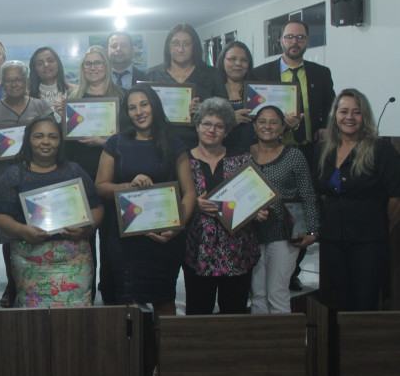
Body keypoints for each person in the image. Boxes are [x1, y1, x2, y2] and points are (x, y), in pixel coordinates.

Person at [95, 83, 196, 311]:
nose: (139, 112)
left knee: (165, 300)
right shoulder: (115, 143)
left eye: (144, 104)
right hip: (126, 241)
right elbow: (100, 187)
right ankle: (133, 348)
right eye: (132, 108)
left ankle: (162, 347)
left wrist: (178, 226)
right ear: (126, 113)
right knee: (127, 304)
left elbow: (189, 192)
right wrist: (129, 186)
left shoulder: (174, 143)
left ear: (154, 106)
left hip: (165, 238)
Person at [253, 19, 335, 291]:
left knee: (302, 204)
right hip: (271, 151)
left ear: (307, 41)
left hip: (308, 151)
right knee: (269, 204)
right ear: (281, 41)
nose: (294, 42)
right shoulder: (262, 72)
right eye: (289, 37)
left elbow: (329, 107)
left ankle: (293, 266)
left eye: (300, 37)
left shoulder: (321, 73)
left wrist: (324, 127)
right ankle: (266, 266)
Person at [0, 115, 103, 307]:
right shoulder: (14, 175)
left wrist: (87, 229)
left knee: (75, 319)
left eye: (52, 136)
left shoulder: (74, 171)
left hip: (73, 260)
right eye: (39, 136)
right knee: (35, 321)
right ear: (28, 140)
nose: (46, 142)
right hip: (30, 260)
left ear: (60, 141)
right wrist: (21, 230)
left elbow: (97, 208)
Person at [314, 88, 400, 311]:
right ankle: (338, 347)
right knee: (338, 302)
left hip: (369, 242)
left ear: (365, 117)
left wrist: (381, 226)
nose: (349, 117)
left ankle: (361, 347)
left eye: (356, 112)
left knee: (364, 303)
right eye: (343, 111)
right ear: (335, 116)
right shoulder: (323, 150)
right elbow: (323, 193)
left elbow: (396, 197)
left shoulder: (381, 150)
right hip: (332, 240)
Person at [0, 60, 52, 306]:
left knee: (40, 227)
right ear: (2, 82)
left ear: (26, 81)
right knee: (10, 235)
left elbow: (53, 135)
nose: (14, 83)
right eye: (8, 80)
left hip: (38, 177)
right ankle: (12, 283)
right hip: (5, 179)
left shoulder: (41, 106)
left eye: (18, 79)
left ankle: (41, 282)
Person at [184, 97, 264, 315]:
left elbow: (255, 198)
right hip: (198, 253)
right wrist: (193, 204)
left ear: (227, 131)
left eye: (219, 126)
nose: (212, 130)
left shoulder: (242, 161)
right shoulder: (182, 161)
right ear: (197, 125)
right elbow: (175, 201)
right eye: (207, 124)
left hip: (237, 252)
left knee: (235, 314)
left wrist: (259, 210)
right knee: (198, 314)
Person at [248, 106, 319, 314]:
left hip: (286, 232)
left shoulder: (294, 155)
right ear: (254, 125)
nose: (267, 126)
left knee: (277, 292)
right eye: (262, 121)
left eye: (274, 122)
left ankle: (285, 345)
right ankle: (261, 344)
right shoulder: (244, 156)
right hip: (251, 233)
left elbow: (307, 194)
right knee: (257, 294)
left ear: (282, 128)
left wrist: (313, 231)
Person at [146, 23, 218, 148]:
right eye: (175, 43)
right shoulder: (152, 75)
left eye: (186, 44)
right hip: (160, 144)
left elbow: (224, 111)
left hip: (200, 145)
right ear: (168, 47)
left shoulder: (211, 74)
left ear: (194, 46)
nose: (180, 49)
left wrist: (204, 111)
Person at [64, 46, 125, 180]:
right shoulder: (73, 99)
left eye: (98, 63)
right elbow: (67, 145)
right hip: (81, 168)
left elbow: (129, 136)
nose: (92, 67)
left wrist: (103, 142)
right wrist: (64, 121)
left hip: (115, 167)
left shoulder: (122, 96)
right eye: (88, 64)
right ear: (82, 68)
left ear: (106, 66)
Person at [215, 41, 258, 153]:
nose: (238, 63)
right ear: (223, 60)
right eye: (232, 59)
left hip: (255, 154)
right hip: (220, 155)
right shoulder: (212, 90)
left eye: (243, 60)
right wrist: (230, 122)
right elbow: (204, 128)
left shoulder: (258, 90)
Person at [28, 46, 75, 120]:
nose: (46, 65)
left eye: (50, 61)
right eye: (40, 63)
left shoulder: (75, 91)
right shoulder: (28, 97)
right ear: (35, 69)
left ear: (58, 64)